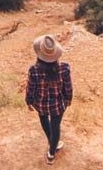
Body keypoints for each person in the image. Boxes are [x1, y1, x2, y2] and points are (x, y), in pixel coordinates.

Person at [25, 33, 72, 162]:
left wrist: (29, 102)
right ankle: (51, 153)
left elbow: (30, 88)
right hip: (58, 104)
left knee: (44, 120)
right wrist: (69, 99)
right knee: (56, 126)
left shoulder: (34, 70)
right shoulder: (64, 68)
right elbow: (68, 87)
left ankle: (52, 142)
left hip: (40, 104)